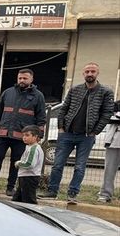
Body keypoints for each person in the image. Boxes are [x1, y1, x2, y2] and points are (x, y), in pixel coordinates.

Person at [43, 63, 115, 203]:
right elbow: (64, 109)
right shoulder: (75, 89)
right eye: (87, 71)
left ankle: (72, 193)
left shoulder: (105, 92)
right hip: (67, 134)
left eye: (92, 71)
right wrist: (61, 128)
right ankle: (52, 191)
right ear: (83, 74)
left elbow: (107, 114)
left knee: (80, 166)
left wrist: (95, 131)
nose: (90, 73)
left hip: (86, 136)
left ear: (97, 73)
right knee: (57, 164)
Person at [0, 68, 46, 197]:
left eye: (25, 78)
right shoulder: (8, 93)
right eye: (20, 78)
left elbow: (41, 118)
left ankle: (10, 188)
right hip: (3, 135)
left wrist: (39, 136)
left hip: (21, 137)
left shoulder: (38, 96)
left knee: (16, 163)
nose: (22, 80)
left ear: (31, 79)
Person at [12, 125, 44, 204]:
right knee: (17, 199)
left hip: (29, 178)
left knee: (29, 201)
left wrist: (18, 163)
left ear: (35, 137)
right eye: (23, 135)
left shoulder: (34, 148)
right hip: (25, 177)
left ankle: (32, 215)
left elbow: (29, 164)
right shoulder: (30, 147)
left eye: (27, 135)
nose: (24, 137)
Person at [97, 100, 120, 204]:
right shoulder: (116, 104)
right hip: (114, 140)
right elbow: (107, 117)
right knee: (109, 169)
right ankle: (105, 194)